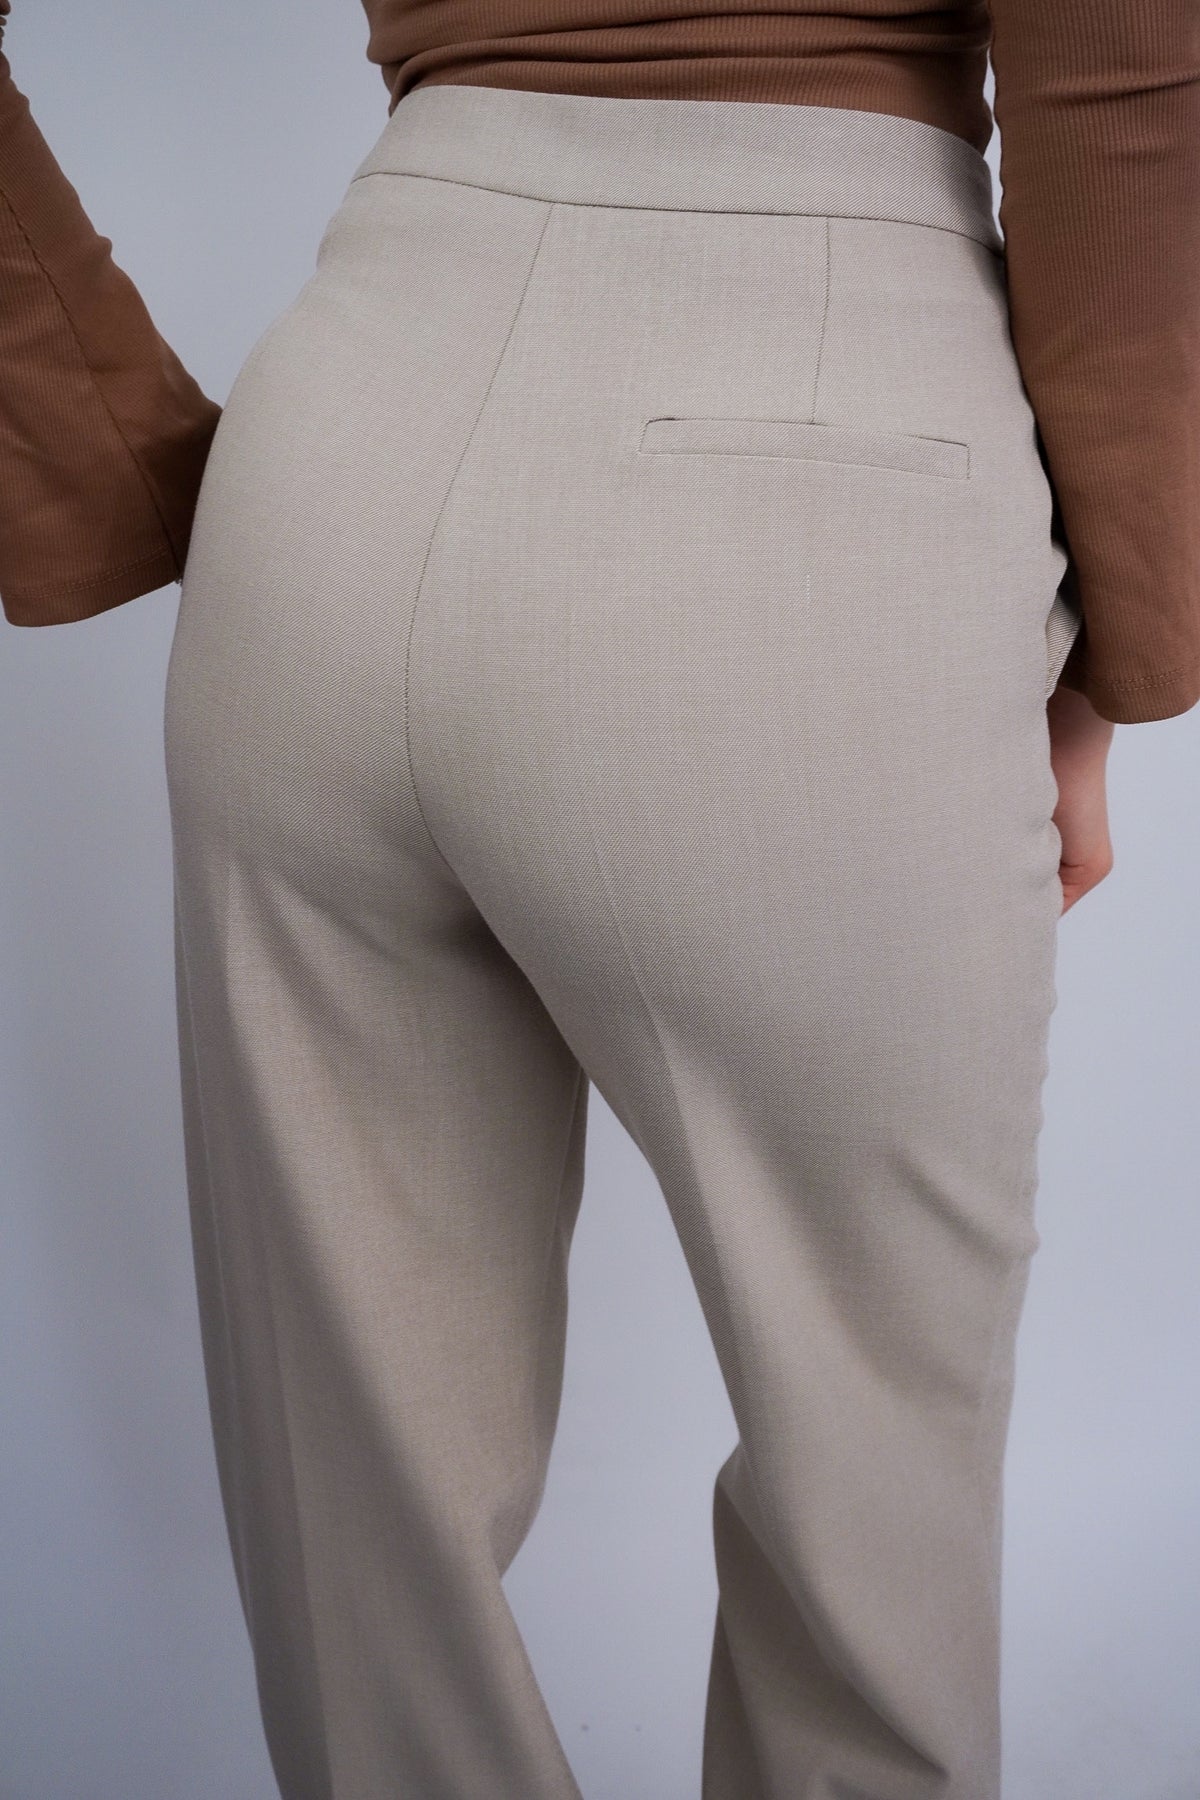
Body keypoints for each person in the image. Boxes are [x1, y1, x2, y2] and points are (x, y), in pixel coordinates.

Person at [1, 5, 1196, 1797]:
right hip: (816, 449)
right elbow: (1122, 66)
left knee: (361, 1546)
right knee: (871, 1524)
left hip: (341, 439)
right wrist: (1120, 648)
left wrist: (99, 464)